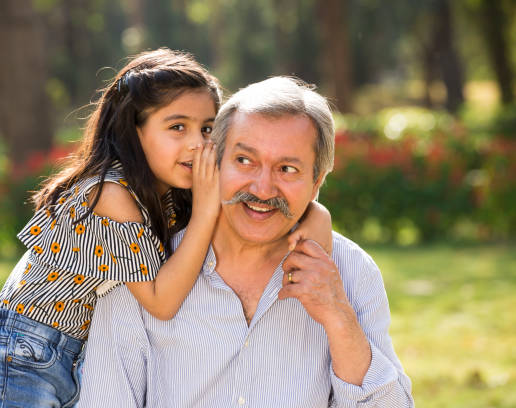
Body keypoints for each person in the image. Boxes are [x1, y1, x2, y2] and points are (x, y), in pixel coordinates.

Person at [0, 49, 332, 407]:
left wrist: (316, 216)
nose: (197, 144)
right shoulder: (109, 193)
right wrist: (205, 210)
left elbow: (260, 206)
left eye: (207, 128)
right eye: (177, 127)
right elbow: (162, 302)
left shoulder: (170, 191)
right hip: (22, 354)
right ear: (134, 131)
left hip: (77, 353)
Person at [77, 76, 415, 407]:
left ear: (316, 184)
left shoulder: (350, 272)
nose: (262, 189)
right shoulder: (143, 270)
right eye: (244, 161)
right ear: (212, 163)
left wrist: (339, 318)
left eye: (287, 169)